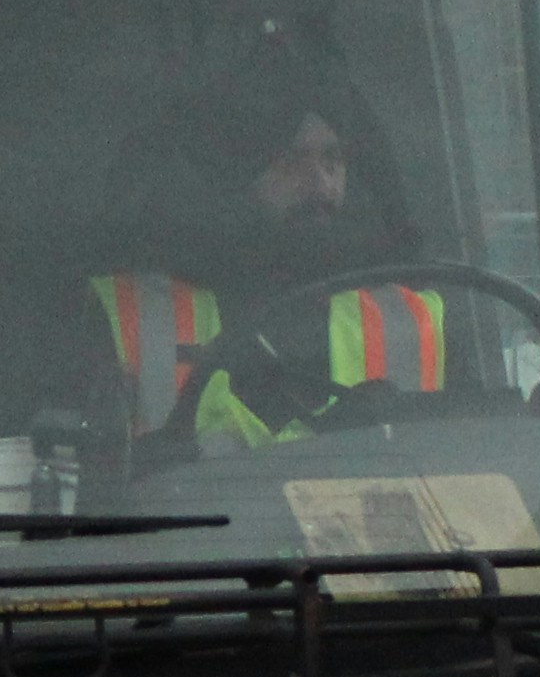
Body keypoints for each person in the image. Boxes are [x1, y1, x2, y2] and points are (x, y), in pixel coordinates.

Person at [82, 34, 445, 447]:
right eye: (292, 158)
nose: (319, 183)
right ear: (233, 174)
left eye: (333, 159)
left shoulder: (408, 318)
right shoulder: (130, 317)